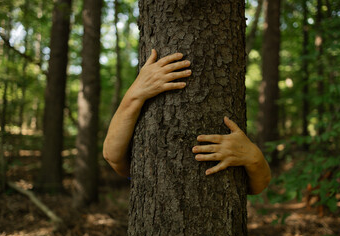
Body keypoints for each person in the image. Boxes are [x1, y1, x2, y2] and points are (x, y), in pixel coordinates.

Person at [103, 49, 271, 195]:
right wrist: (134, 94)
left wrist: (253, 157)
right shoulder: (140, 163)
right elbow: (113, 156)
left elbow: (257, 186)